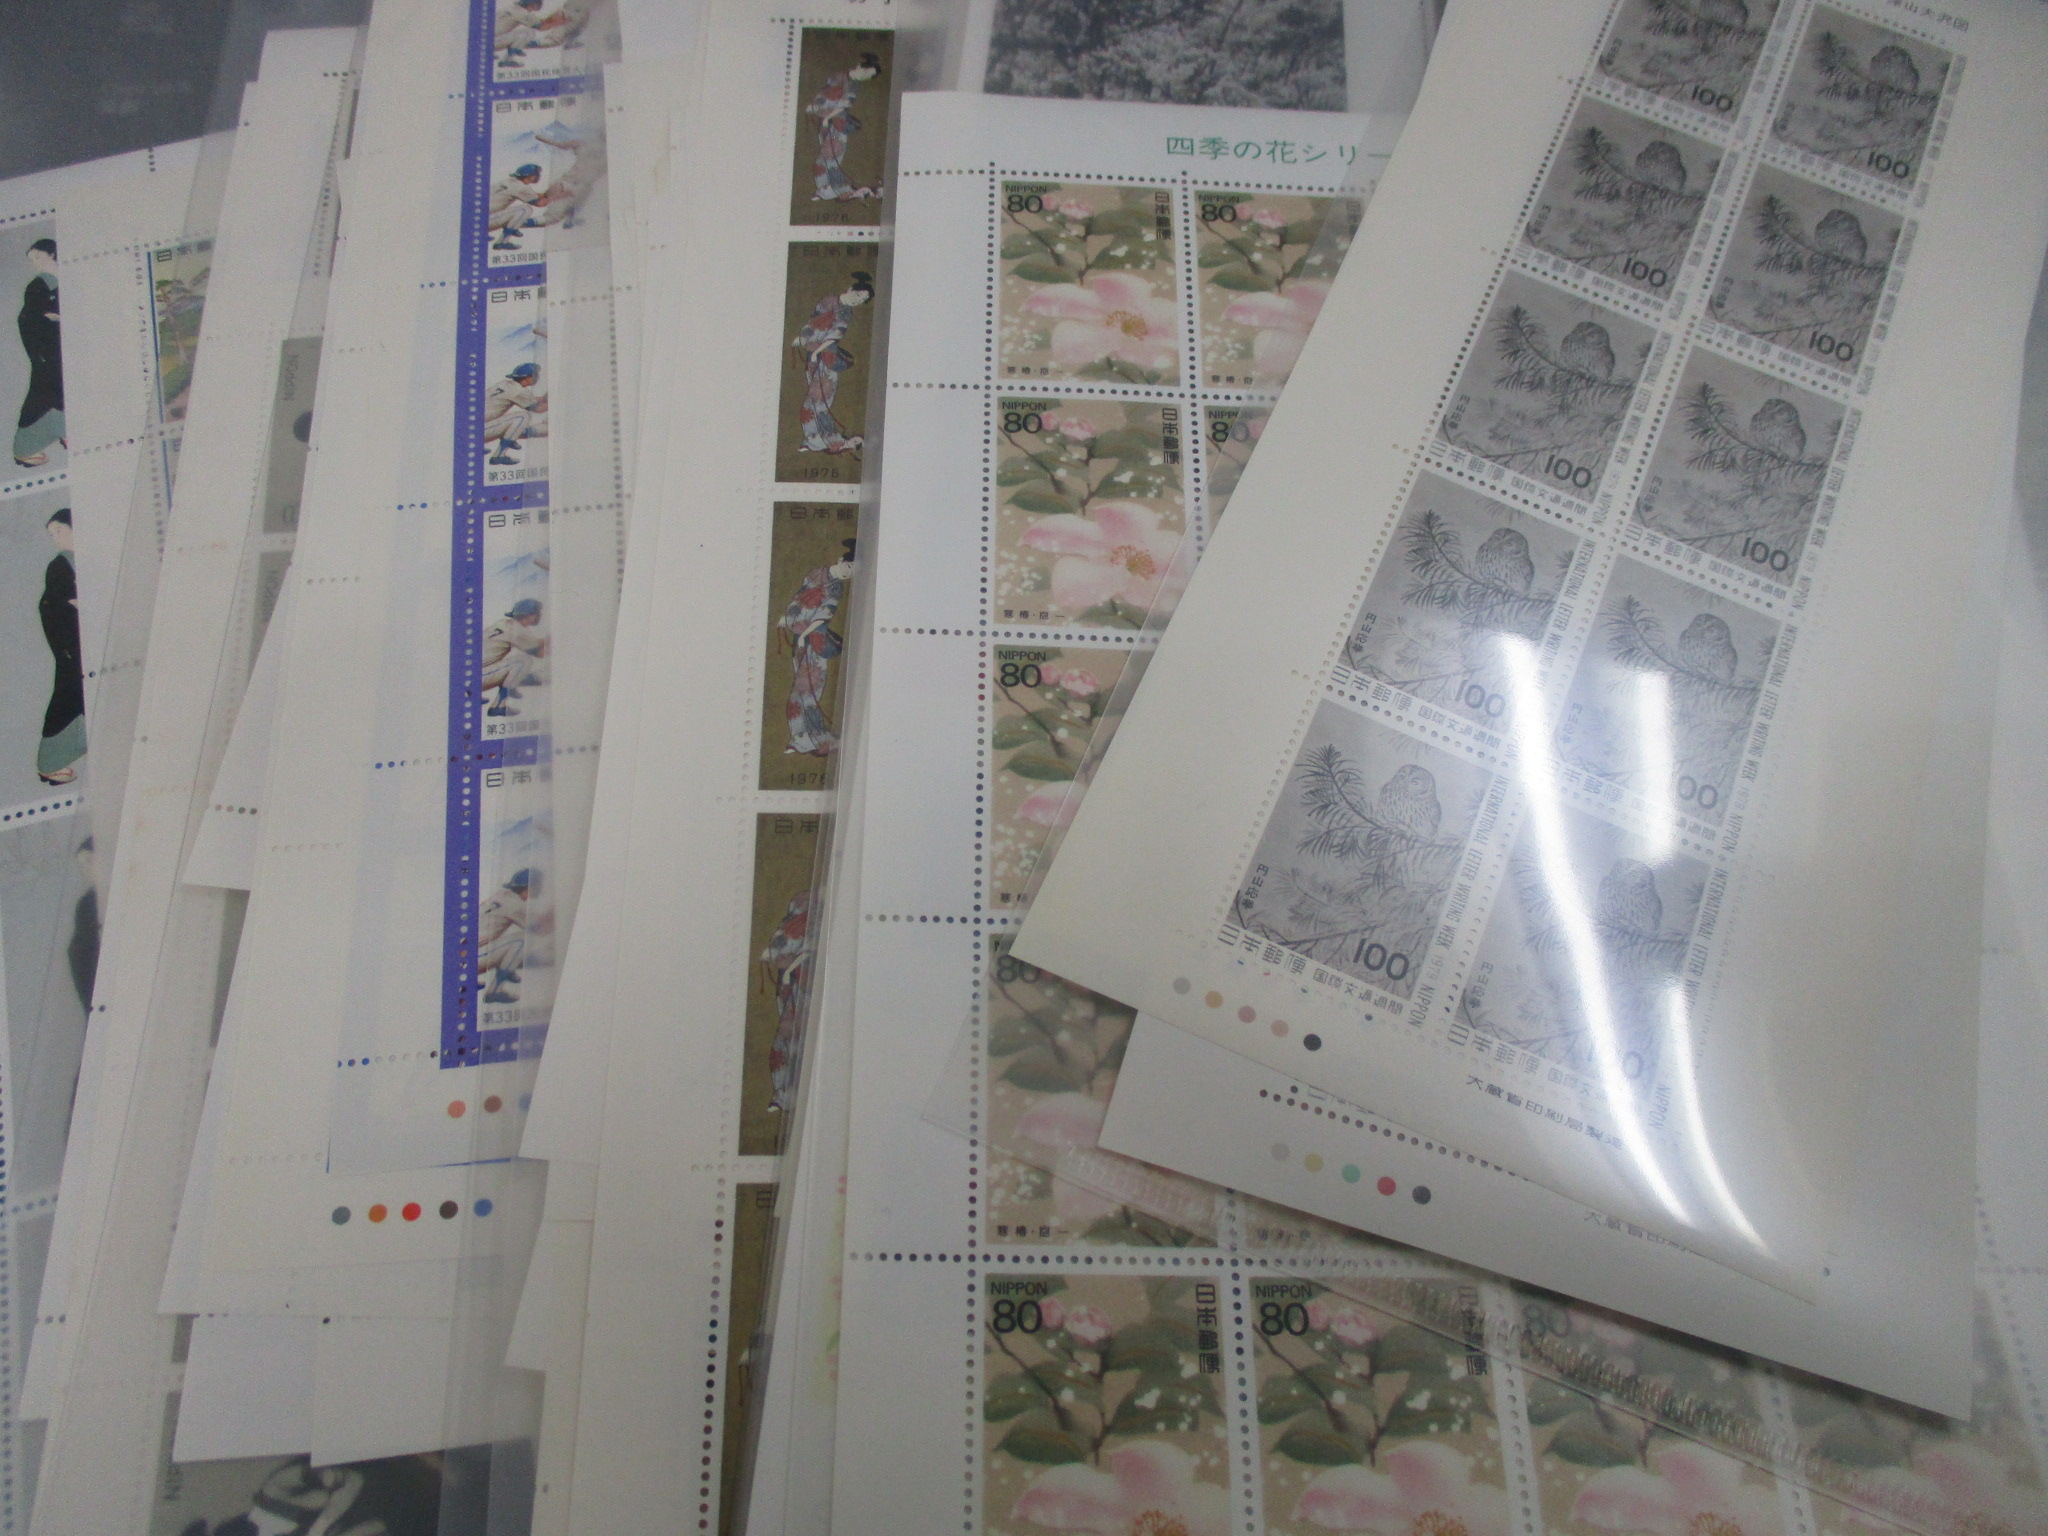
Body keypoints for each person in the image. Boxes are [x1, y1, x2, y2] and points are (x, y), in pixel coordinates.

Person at [778, 538, 854, 755]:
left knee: (808, 691)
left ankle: (811, 740)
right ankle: (800, 738)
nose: (847, 573)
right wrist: (787, 619)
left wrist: (805, 634)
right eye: (848, 567)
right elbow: (800, 598)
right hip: (800, 639)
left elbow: (823, 616)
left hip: (815, 640)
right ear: (841, 560)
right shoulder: (816, 574)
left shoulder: (836, 588)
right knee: (801, 690)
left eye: (851, 572)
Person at [791, 271, 872, 456]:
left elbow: (833, 337)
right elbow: (814, 322)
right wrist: (803, 339)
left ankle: (833, 442)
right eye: (858, 295)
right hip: (812, 352)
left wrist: (816, 351)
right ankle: (815, 441)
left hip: (827, 358)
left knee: (818, 402)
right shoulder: (829, 301)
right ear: (850, 289)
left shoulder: (846, 313)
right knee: (812, 402)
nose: (857, 301)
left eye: (862, 300)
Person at [37, 508, 83, 786]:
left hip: (81, 642)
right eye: (52, 534)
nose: (56, 538)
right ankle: (48, 764)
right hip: (71, 646)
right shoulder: (60, 564)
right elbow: (52, 605)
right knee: (67, 699)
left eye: (59, 531)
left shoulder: (85, 558)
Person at [759, 888, 814, 1114]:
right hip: (797, 986)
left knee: (803, 1034)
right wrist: (781, 962)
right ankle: (783, 1093)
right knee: (786, 1033)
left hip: (814, 987)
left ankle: (801, 1093)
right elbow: (780, 947)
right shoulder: (800, 918)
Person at [806, 52, 883, 202]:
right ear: (860, 67)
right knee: (822, 161)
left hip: (836, 124)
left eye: (870, 76)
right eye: (866, 72)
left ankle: (842, 191)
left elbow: (842, 106)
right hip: (824, 121)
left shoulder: (853, 86)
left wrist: (827, 117)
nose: (866, 77)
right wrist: (816, 108)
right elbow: (825, 92)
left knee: (830, 158)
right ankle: (825, 190)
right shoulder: (841, 76)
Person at [14, 239, 62, 468]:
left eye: (38, 257)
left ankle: (65, 431)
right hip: (48, 351)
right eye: (31, 259)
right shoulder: (37, 286)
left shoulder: (67, 279)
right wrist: (52, 320)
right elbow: (29, 318)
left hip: (67, 346)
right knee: (44, 394)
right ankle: (23, 449)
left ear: (52, 255)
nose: (34, 263)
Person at [482, 597, 548, 716]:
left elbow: (535, 642)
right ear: (528, 615)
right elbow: (538, 653)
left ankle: (508, 689)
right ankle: (498, 706)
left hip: (468, 677)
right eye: (537, 612)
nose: (539, 615)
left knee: (512, 665)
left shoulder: (503, 623)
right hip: (479, 678)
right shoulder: (518, 630)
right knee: (523, 661)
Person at [477, 868, 534, 1005]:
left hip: (463, 955)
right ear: (526, 888)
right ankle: (495, 990)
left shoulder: (501, 894)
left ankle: (507, 970)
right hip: (473, 958)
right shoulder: (516, 904)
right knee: (523, 940)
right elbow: (536, 930)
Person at [482, 361, 547, 465]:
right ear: (527, 378)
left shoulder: (504, 383)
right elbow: (537, 409)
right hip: (481, 431)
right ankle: (499, 456)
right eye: (535, 375)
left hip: (473, 428)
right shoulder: (519, 391)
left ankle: (507, 439)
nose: (537, 377)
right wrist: (553, 402)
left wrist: (544, 398)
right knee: (523, 416)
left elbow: (530, 399)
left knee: (511, 421)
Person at [489, 162, 548, 250]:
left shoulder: (508, 181)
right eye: (535, 174)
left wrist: (544, 195)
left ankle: (513, 227)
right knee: (525, 209)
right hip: (488, 222)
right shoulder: (522, 188)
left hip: (478, 219)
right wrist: (552, 196)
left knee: (511, 211)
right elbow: (539, 203)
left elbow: (528, 194)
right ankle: (502, 242)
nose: (537, 176)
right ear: (530, 176)